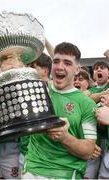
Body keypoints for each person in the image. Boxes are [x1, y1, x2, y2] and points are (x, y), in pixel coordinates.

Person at [22, 42, 98, 179]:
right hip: (31, 170)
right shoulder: (37, 90)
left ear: (77, 69)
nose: (60, 67)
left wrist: (65, 137)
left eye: (67, 63)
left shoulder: (87, 103)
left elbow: (88, 150)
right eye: (56, 61)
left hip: (65, 174)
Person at [0, 55, 23, 179]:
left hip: (12, 149)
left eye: (15, 63)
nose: (10, 66)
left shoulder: (23, 87)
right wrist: (1, 74)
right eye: (6, 63)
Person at [84, 61, 109, 179]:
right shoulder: (92, 89)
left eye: (102, 68)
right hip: (94, 138)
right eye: (96, 69)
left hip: (106, 138)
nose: (98, 70)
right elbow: (84, 97)